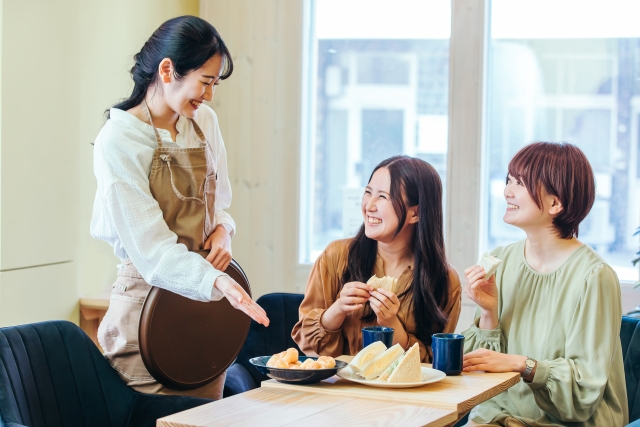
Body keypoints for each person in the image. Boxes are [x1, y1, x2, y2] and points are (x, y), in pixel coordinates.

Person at [91, 16, 269, 400]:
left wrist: (223, 229)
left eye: (215, 84)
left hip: (204, 314)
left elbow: (219, 201)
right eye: (205, 82)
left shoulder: (203, 121)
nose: (209, 95)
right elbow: (153, 252)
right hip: (147, 311)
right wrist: (218, 281)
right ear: (168, 70)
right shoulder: (119, 140)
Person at [461, 142, 628, 426]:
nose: (506, 191)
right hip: (498, 417)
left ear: (555, 203)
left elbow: (582, 395)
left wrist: (523, 365)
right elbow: (477, 374)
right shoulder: (501, 261)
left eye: (520, 183)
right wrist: (488, 313)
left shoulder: (594, 277)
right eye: (508, 181)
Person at [292, 156, 461, 362]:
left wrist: (392, 323)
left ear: (415, 213)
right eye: (368, 192)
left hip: (407, 394)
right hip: (339, 389)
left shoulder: (445, 280)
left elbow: (437, 362)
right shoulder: (335, 256)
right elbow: (307, 344)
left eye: (383, 197)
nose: (369, 205)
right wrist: (338, 309)